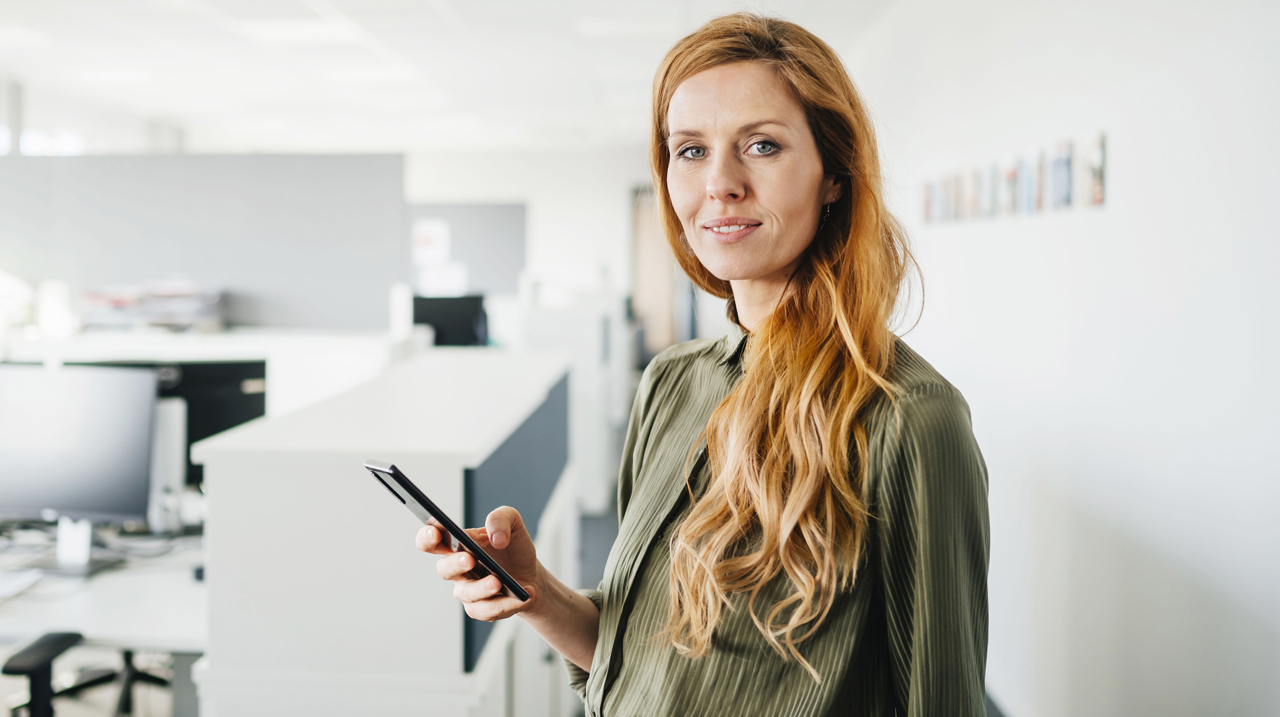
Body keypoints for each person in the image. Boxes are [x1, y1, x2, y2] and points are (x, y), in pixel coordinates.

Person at [417, 13, 989, 716]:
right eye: (690, 150)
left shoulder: (907, 417)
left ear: (834, 175)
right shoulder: (671, 382)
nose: (720, 182)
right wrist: (536, 591)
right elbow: (641, 661)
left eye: (762, 145)